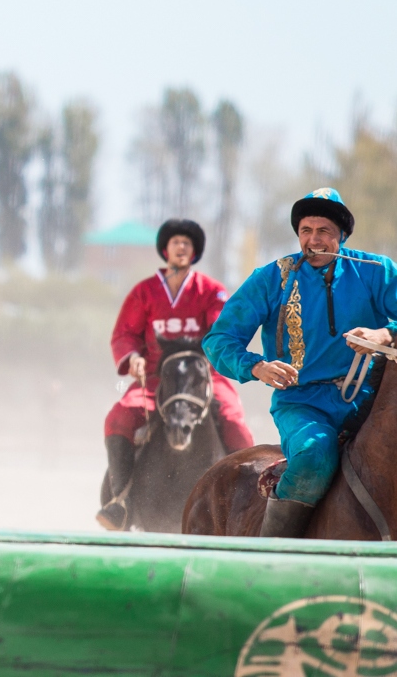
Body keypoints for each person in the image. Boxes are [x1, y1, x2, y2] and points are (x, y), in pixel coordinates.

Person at [203, 188, 397, 538]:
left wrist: (386, 334)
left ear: (342, 235)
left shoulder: (377, 272)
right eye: (306, 230)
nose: (314, 239)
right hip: (303, 403)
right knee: (311, 459)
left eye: (323, 231)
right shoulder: (270, 278)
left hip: (371, 401)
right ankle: (274, 558)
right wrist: (256, 366)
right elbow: (218, 340)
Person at [98, 219, 255, 531]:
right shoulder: (143, 292)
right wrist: (132, 359)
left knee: (236, 422)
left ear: (194, 251)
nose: (181, 247)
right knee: (118, 416)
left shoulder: (212, 291)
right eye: (175, 242)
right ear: (165, 249)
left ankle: (248, 504)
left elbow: (220, 331)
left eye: (187, 243)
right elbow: (125, 335)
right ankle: (120, 501)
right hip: (155, 380)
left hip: (204, 376)